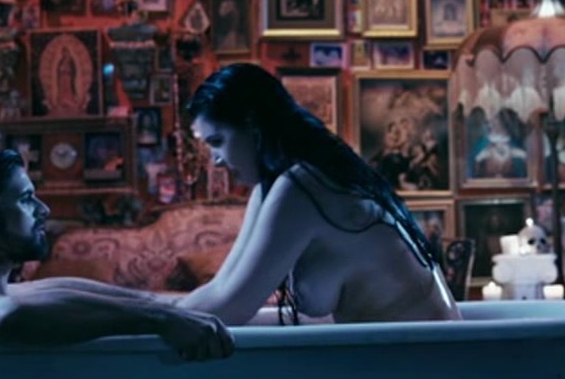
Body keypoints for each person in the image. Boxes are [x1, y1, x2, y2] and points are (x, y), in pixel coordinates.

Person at [177, 64, 461, 326]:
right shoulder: (279, 187)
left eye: (217, 141)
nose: (215, 160)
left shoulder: (303, 186)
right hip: (404, 354)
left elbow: (233, 306)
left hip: (430, 355)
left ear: (252, 125)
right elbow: (221, 289)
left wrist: (157, 317)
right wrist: (155, 311)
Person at [0, 149, 234, 361]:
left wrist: (168, 308)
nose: (43, 209)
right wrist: (159, 321)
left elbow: (60, 291)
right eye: (25, 199)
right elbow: (11, 316)